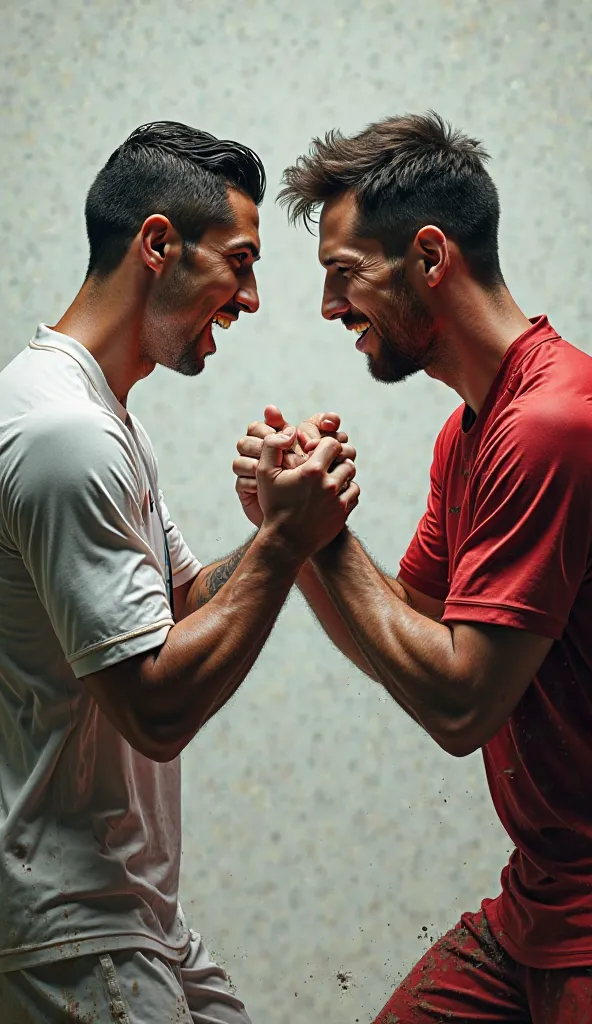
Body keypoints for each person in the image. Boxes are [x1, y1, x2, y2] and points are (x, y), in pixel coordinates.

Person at [233, 112, 592, 1022]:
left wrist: (325, 536)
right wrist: (294, 538)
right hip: (538, 903)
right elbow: (408, 643)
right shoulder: (469, 433)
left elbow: (461, 705)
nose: (326, 309)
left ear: (430, 257)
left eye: (342, 276)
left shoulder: (553, 427)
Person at [0, 120, 359, 1023]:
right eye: (241, 262)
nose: (251, 299)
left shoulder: (103, 417)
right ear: (157, 244)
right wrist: (283, 545)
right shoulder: (64, 436)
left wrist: (281, 521)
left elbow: (183, 605)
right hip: (73, 927)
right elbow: (156, 707)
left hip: (130, 909)